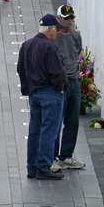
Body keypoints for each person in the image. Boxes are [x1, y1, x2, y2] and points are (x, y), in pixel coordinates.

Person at [17, 14, 66, 180]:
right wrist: (60, 88)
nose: (57, 32)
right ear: (50, 29)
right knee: (49, 131)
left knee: (34, 131)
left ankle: (32, 168)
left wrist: (28, 88)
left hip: (34, 94)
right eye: (56, 29)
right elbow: (58, 73)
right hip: (50, 94)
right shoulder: (49, 47)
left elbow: (20, 69)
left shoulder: (26, 45)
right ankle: (44, 167)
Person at [53, 4, 86, 171]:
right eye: (67, 18)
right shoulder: (54, 37)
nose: (70, 21)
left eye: (72, 18)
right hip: (60, 83)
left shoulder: (76, 35)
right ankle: (52, 157)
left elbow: (77, 52)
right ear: (59, 19)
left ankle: (66, 155)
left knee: (72, 120)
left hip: (74, 81)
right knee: (56, 121)